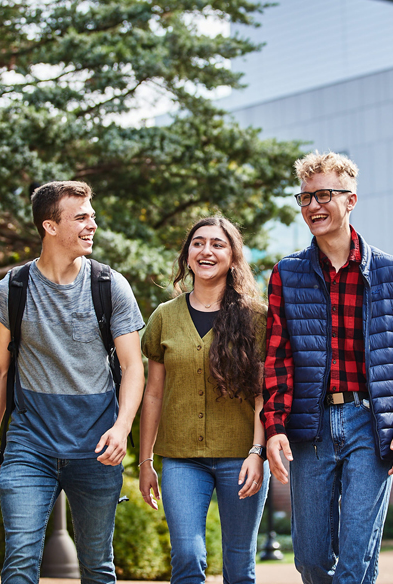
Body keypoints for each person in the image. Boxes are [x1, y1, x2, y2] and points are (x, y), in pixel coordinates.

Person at [262, 151, 393, 584]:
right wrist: (275, 426)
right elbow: (278, 358)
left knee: (355, 562)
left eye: (324, 195)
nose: (313, 207)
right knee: (312, 560)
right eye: (305, 199)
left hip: (371, 424)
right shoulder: (287, 274)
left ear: (351, 199)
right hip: (310, 427)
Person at [0, 181, 145, 584]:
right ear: (49, 226)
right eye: (81, 217)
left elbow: (133, 366)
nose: (93, 224)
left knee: (97, 566)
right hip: (29, 445)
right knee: (19, 560)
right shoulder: (12, 289)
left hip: (97, 448)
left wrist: (123, 428)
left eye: (92, 215)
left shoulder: (109, 286)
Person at [139, 217, 269, 584]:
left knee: (239, 565)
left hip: (242, 457)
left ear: (232, 257)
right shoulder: (164, 317)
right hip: (181, 459)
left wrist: (257, 453)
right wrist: (145, 461)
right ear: (187, 254)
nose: (206, 251)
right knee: (187, 556)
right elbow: (153, 393)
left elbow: (264, 395)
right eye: (198, 243)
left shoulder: (256, 318)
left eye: (217, 244)